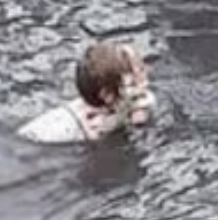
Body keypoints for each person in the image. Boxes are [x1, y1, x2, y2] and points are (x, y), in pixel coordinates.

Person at [17, 42, 154, 144]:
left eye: (142, 71)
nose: (144, 83)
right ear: (108, 95)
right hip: (33, 145)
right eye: (133, 83)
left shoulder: (128, 100)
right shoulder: (94, 125)